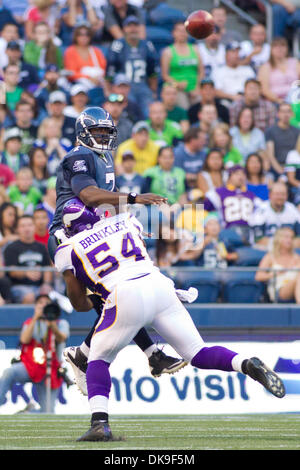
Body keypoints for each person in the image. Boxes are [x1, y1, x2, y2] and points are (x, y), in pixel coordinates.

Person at [54, 201, 285, 441]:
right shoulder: (124, 221)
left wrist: (94, 296)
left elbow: (79, 305)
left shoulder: (68, 248)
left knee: (98, 359)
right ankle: (246, 364)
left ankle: (99, 423)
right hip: (159, 285)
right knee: (197, 352)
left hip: (125, 293)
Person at [48, 106, 186, 390]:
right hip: (69, 235)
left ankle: (105, 355)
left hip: (96, 232)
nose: (102, 136)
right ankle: (138, 354)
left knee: (120, 297)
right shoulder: (78, 156)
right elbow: (88, 195)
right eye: (97, 131)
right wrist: (134, 198)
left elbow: (106, 204)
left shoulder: (104, 156)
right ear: (84, 133)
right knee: (84, 303)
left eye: (105, 132)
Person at [0, 294, 69, 413]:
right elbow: (24, 339)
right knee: (8, 372)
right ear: (36, 306)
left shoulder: (60, 323)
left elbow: (62, 338)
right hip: (30, 365)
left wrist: (52, 324)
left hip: (50, 369)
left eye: (46, 303)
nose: (43, 306)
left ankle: (27, 413)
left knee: (48, 413)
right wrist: (36, 318)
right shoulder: (30, 322)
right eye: (40, 303)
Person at [105, 15, 159, 119]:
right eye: (129, 26)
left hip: (142, 85)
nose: (132, 29)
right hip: (124, 87)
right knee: (129, 112)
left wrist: (153, 91)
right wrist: (108, 90)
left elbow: (153, 72)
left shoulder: (147, 45)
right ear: (124, 28)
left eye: (135, 26)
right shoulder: (118, 45)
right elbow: (110, 71)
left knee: (149, 112)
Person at [3, 214, 52, 303]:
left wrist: (46, 284)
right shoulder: (11, 248)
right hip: (18, 286)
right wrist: (26, 273)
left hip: (39, 286)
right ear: (17, 229)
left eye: (30, 225)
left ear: (34, 227)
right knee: (30, 297)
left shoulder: (41, 247)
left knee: (49, 296)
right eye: (23, 226)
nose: (27, 228)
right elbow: (11, 271)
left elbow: (47, 268)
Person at [204, 165, 256, 245]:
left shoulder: (251, 194)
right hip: (228, 231)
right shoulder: (219, 192)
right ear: (228, 177)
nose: (241, 176)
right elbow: (204, 206)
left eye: (243, 174)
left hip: (249, 231)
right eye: (237, 174)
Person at [160, 21, 204, 110]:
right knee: (183, 107)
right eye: (179, 31)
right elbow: (164, 75)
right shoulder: (168, 52)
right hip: (178, 89)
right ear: (173, 33)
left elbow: (201, 71)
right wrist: (177, 84)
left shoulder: (195, 49)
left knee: (200, 107)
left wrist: (197, 87)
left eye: (184, 31)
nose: (182, 33)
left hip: (195, 88)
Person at [255, 227, 300, 303]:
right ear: (278, 238)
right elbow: (258, 276)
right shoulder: (270, 256)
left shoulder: (297, 257)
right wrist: (274, 274)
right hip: (279, 290)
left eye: (292, 237)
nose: (289, 240)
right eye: (286, 237)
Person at [250, 182, 300, 248]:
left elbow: (299, 238)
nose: (280, 197)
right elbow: (258, 240)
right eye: (277, 194)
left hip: (289, 250)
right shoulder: (261, 210)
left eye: (283, 194)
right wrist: (283, 245)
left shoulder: (292, 209)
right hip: (266, 250)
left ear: (287, 196)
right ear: (270, 195)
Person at [63, 24, 107, 92]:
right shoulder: (70, 51)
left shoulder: (96, 51)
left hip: (97, 82)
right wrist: (88, 78)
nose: (84, 37)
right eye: (80, 34)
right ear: (76, 36)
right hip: (77, 83)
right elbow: (71, 73)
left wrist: (97, 79)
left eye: (87, 34)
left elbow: (102, 69)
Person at [257, 37, 300, 105]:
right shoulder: (265, 67)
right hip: (274, 102)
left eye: (282, 45)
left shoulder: (295, 62)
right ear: (271, 49)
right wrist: (279, 100)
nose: (279, 49)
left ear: (287, 48)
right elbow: (264, 89)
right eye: (276, 46)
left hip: (296, 100)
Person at [265, 102, 300, 180]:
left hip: (294, 167)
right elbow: (270, 155)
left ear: (291, 114)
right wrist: (280, 170)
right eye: (283, 111)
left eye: (288, 111)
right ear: (278, 114)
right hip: (277, 167)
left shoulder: (297, 131)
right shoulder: (271, 131)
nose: (286, 114)